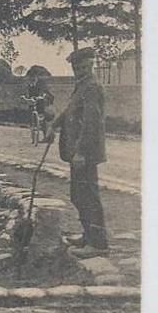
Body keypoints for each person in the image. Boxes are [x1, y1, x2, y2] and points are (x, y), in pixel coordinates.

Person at [46, 47, 108, 256]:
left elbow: (91, 122)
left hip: (85, 153)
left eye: (83, 67)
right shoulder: (82, 86)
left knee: (88, 195)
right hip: (77, 153)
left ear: (91, 65)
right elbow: (71, 110)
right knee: (78, 195)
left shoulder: (92, 87)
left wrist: (81, 152)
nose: (79, 71)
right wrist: (53, 125)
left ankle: (98, 245)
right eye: (76, 68)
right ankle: (88, 235)